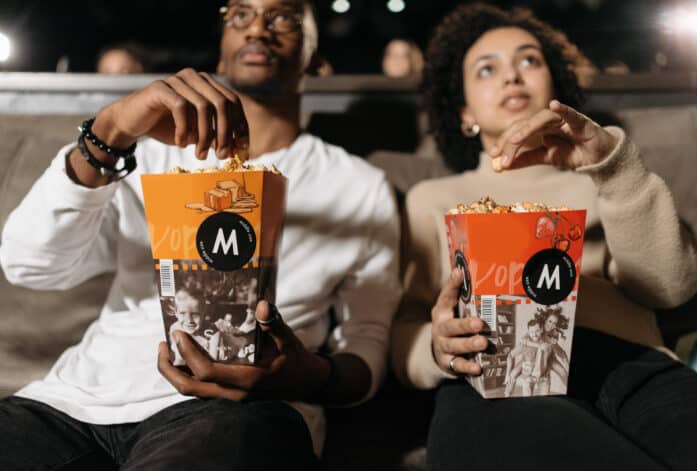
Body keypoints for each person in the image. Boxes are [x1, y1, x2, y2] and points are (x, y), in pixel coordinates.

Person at [0, 0, 400, 469]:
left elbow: (367, 343)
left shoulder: (358, 185)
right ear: (221, 50)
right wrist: (108, 133)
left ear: (316, 56)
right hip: (69, 405)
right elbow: (30, 265)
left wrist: (304, 375)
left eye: (284, 18)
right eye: (241, 16)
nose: (258, 30)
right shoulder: (148, 156)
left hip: (233, 412)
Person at [390, 4, 697, 471]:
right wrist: (436, 348)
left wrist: (613, 169)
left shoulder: (605, 175)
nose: (512, 77)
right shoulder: (433, 199)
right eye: (486, 69)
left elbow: (672, 286)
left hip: (629, 365)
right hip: (495, 372)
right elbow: (405, 327)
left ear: (555, 85)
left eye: (529, 61)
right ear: (463, 113)